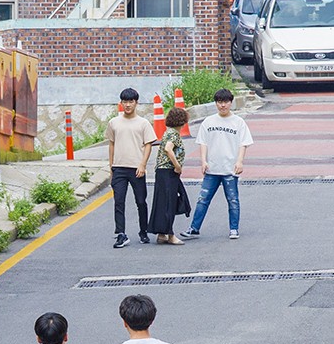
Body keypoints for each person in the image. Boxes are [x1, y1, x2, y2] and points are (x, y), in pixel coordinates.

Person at [182, 88, 252, 240]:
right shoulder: (209, 121)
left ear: (231, 103)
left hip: (230, 168)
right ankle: (194, 228)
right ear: (216, 103)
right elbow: (203, 143)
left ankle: (234, 228)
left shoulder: (238, 122)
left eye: (226, 102)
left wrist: (240, 161)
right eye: (219, 102)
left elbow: (243, 144)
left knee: (233, 200)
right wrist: (203, 161)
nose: (223, 105)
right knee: (203, 199)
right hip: (212, 168)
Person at [107, 88, 156, 249]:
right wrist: (111, 166)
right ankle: (121, 234)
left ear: (136, 103)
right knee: (118, 202)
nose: (127, 105)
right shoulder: (114, 122)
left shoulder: (143, 123)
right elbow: (111, 144)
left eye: (131, 102)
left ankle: (143, 231)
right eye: (125, 102)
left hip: (136, 168)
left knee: (141, 201)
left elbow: (148, 145)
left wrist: (142, 164)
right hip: (119, 168)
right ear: (120, 103)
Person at [146, 107, 190, 246]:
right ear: (182, 122)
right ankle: (170, 235)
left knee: (162, 203)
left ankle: (161, 234)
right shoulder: (174, 135)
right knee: (170, 203)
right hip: (169, 172)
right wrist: (177, 166)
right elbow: (168, 149)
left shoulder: (167, 132)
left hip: (161, 171)